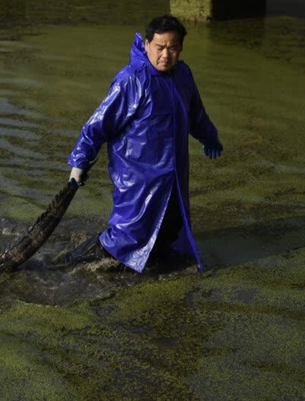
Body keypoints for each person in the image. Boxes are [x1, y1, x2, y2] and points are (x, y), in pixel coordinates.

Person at [67, 15, 223, 273]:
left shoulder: (183, 75)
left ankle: (152, 265)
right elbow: (98, 125)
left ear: (181, 48)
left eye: (172, 48)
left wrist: (210, 136)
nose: (165, 55)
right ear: (147, 44)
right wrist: (79, 163)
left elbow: (195, 113)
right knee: (127, 233)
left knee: (171, 224)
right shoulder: (131, 80)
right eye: (160, 47)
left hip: (173, 175)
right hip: (138, 178)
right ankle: (76, 265)